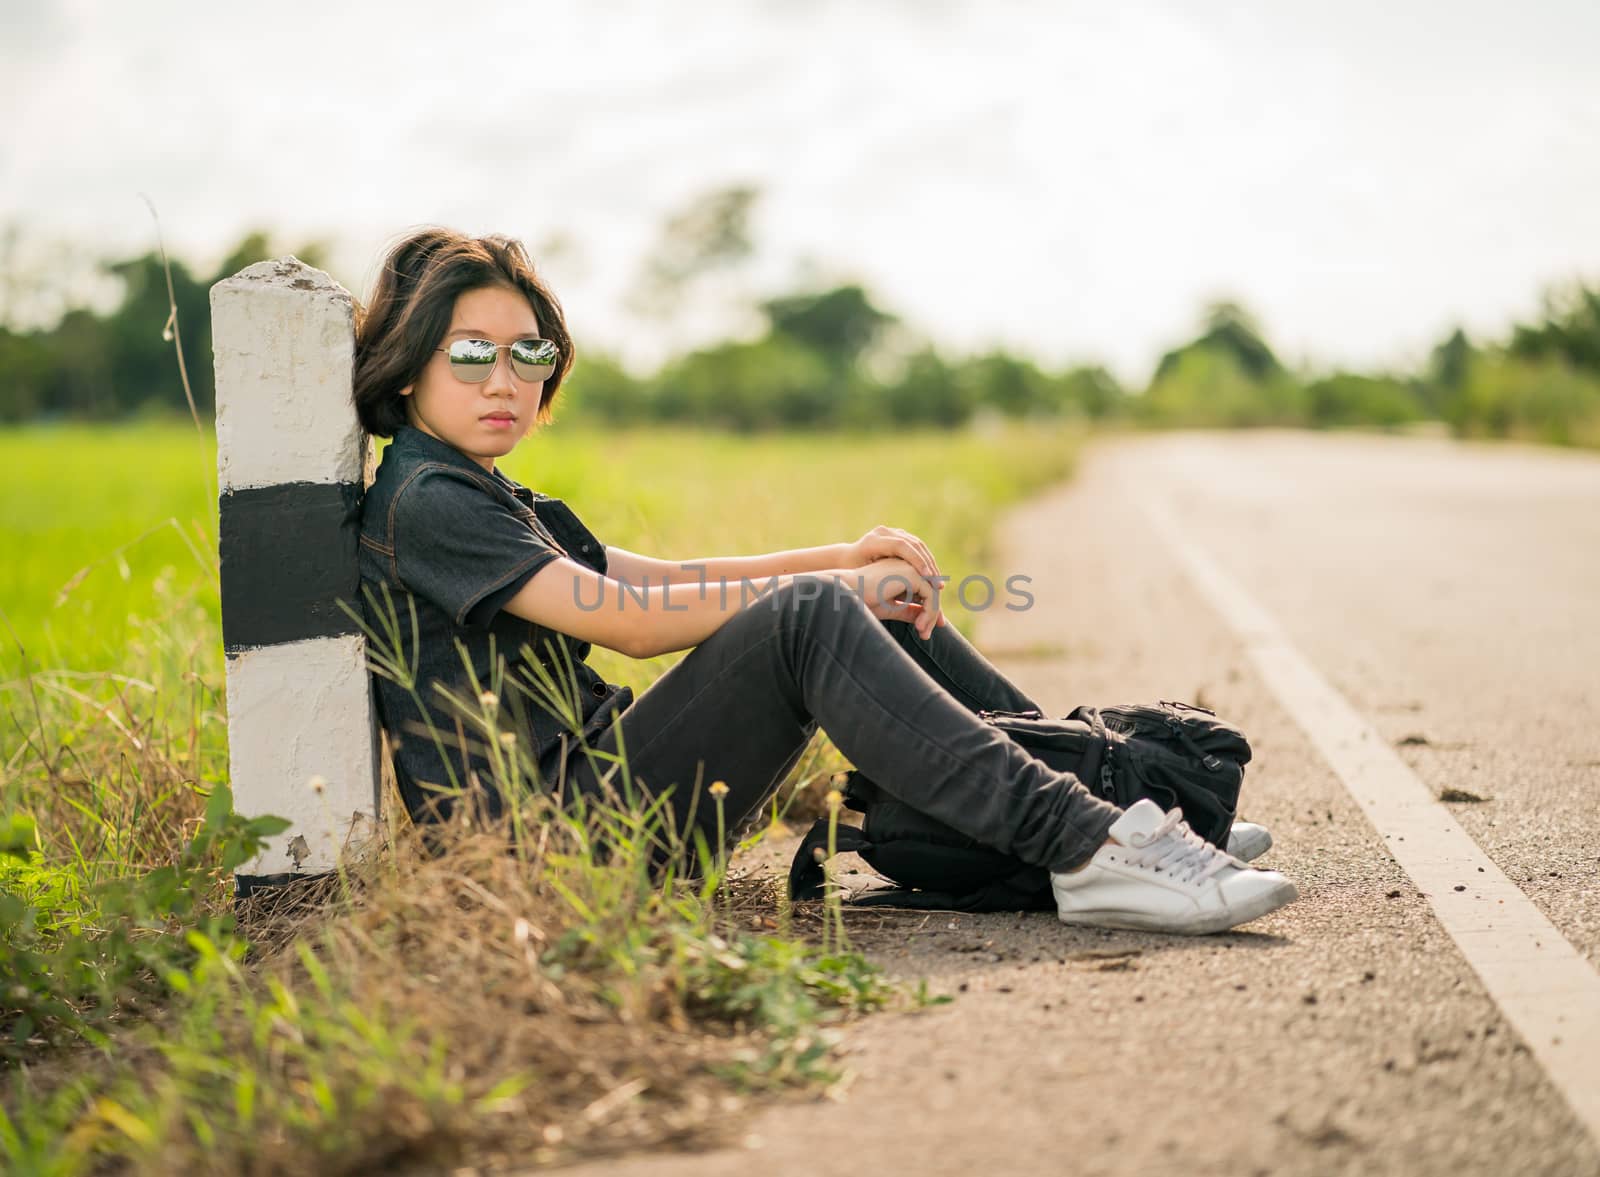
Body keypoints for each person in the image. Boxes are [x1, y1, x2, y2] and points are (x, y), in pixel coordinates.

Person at [350, 226, 1299, 936]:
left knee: (841, 606)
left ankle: (1101, 796)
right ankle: (1088, 844)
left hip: (597, 804)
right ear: (409, 364)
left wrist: (843, 560)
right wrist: (832, 595)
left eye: (529, 353)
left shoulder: (480, 489)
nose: (504, 378)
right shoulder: (429, 498)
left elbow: (667, 576)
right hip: (547, 853)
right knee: (813, 618)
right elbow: (630, 623)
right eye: (470, 351)